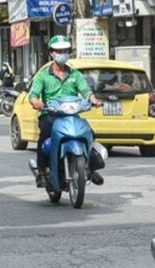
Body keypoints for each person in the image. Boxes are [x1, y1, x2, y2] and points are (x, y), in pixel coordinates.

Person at [28, 36, 103, 187]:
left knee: (90, 133)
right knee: (45, 135)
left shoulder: (75, 75)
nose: (63, 53)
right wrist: (37, 103)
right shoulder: (43, 76)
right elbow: (33, 95)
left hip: (71, 115)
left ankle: (89, 167)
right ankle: (42, 171)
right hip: (50, 115)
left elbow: (86, 91)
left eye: (65, 51)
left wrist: (93, 100)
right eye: (59, 51)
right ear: (51, 53)